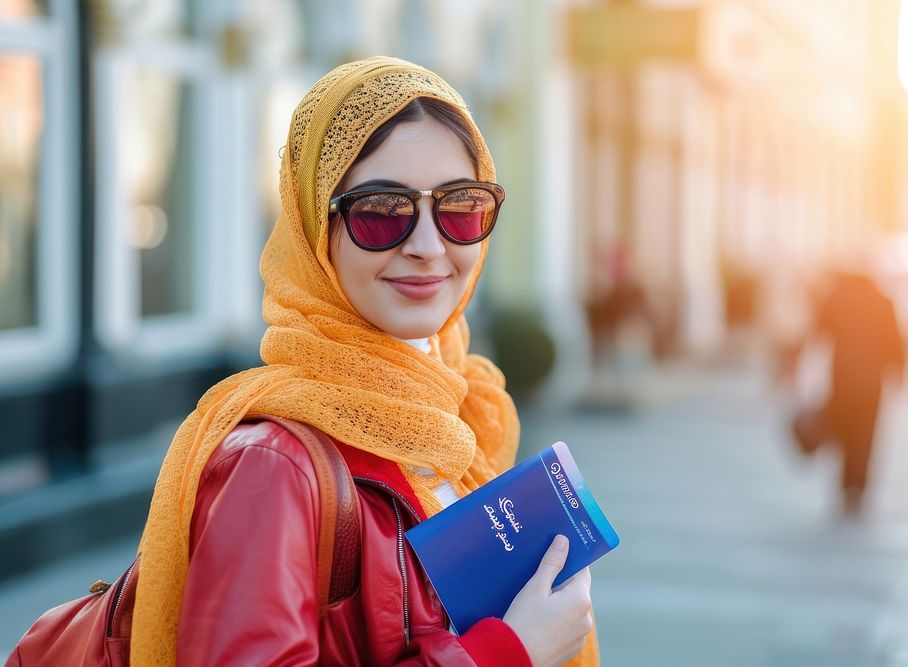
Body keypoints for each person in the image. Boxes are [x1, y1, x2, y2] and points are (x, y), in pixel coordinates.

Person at [129, 57, 598, 666]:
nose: (428, 247)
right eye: (381, 212)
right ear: (313, 228)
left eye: (459, 207)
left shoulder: (464, 421)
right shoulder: (272, 466)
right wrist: (506, 654)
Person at [800, 269, 905, 516]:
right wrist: (900, 372)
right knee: (866, 435)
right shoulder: (882, 300)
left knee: (845, 433)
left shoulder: (837, 297)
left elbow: (819, 330)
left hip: (842, 377)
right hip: (871, 381)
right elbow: (896, 341)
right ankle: (859, 487)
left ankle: (846, 485)